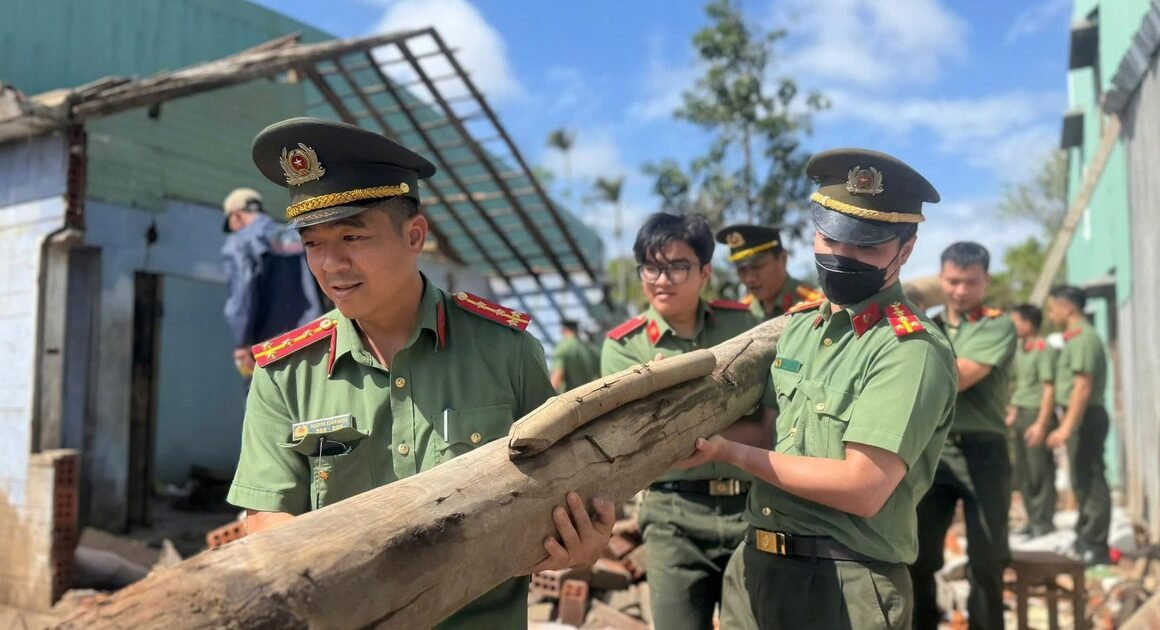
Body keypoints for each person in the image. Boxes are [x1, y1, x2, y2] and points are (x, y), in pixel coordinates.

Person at [225, 117, 613, 628]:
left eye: (351, 235)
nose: (331, 263)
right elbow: (268, 522)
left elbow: (565, 492)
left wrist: (579, 541)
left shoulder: (506, 351)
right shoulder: (284, 373)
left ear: (414, 235)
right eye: (313, 243)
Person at [681, 149, 957, 629]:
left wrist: (729, 454)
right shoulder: (801, 329)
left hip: (845, 582)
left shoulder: (909, 349)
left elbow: (863, 486)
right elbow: (771, 430)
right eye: (831, 238)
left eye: (867, 246)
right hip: (758, 565)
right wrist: (693, 442)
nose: (841, 256)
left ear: (905, 250)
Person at [601, 212, 762, 630]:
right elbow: (637, 440)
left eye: (677, 266)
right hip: (674, 513)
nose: (661, 279)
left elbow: (773, 424)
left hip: (751, 507)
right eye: (651, 267)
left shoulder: (743, 327)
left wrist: (679, 416)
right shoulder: (625, 347)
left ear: (705, 272)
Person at [911, 242, 1018, 630]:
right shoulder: (927, 325)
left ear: (986, 281)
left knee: (987, 562)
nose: (960, 291)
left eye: (970, 282)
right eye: (953, 281)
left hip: (983, 453)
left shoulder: (997, 324)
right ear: (941, 279)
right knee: (916, 556)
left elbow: (960, 376)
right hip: (932, 452)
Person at [221, 186, 325, 380]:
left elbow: (241, 296)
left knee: (268, 407)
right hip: (313, 339)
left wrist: (242, 343)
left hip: (269, 349)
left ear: (236, 217)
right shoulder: (300, 237)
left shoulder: (240, 242)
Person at [1045, 285, 1111, 566]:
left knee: (1092, 481)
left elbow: (1082, 388)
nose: (1050, 313)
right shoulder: (1075, 338)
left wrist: (1066, 428)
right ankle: (1085, 535)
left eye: (1053, 307)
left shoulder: (1084, 339)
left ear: (1067, 307)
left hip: (1086, 417)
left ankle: (1096, 547)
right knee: (1081, 480)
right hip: (1079, 417)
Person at [1008, 303, 1059, 538]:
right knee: (1024, 471)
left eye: (1016, 321)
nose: (1012, 325)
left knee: (1041, 470)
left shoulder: (1043, 348)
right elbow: (1022, 385)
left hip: (1038, 413)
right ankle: (1032, 518)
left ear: (1028, 324)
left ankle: (1044, 521)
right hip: (1022, 413)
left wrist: (1041, 424)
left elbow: (1049, 389)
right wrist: (1013, 412)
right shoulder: (1021, 350)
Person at [715, 224, 822, 320]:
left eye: (757, 267)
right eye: (741, 270)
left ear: (783, 258)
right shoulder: (741, 313)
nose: (749, 279)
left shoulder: (816, 305)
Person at [550, 320, 601, 393]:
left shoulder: (563, 347)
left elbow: (558, 373)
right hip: (590, 395)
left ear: (564, 330)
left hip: (571, 398)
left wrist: (549, 397)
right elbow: (601, 375)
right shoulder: (591, 349)